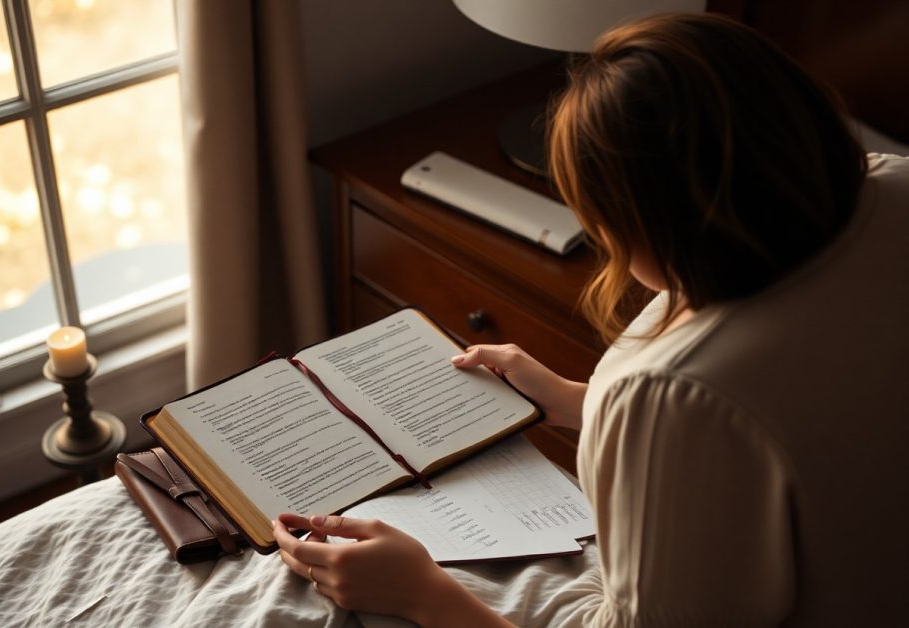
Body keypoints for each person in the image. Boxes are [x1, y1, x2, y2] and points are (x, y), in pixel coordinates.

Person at [272, 12, 909, 627]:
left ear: (648, 220)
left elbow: (715, 403)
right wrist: (577, 402)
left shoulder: (675, 393)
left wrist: (424, 593)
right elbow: (802, 415)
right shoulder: (891, 192)